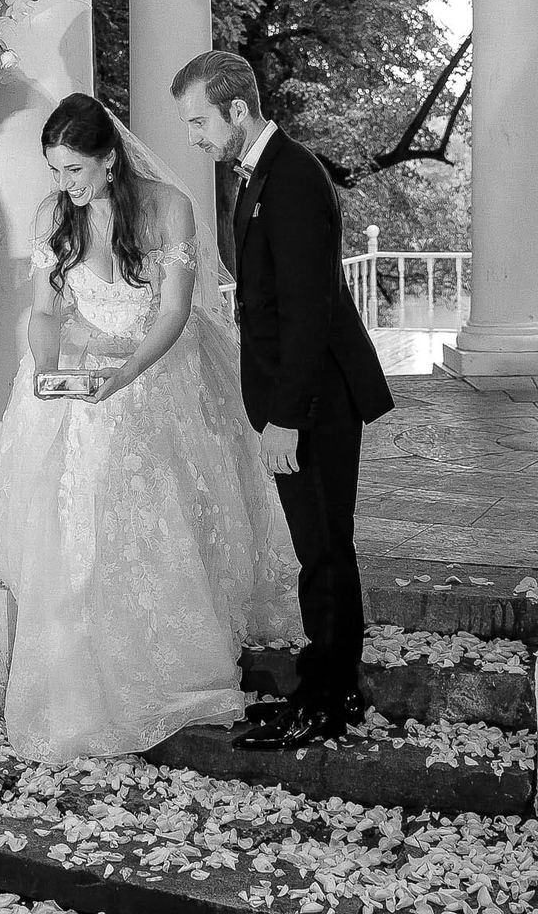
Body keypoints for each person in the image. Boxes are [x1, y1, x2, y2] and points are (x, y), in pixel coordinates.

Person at [0, 92, 302, 764]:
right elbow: (44, 313)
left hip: (156, 373)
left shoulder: (167, 207)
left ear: (108, 159)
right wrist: (47, 369)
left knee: (163, 521)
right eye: (55, 171)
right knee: (77, 526)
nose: (64, 185)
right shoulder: (54, 216)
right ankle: (87, 672)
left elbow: (174, 313)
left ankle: (175, 670)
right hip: (78, 378)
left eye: (74, 170)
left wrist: (124, 376)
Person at [172, 50, 395, 751]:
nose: (194, 136)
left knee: (324, 550)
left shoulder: (294, 178)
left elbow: (308, 310)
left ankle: (328, 699)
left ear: (238, 109)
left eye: (200, 120)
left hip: (316, 400)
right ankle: (332, 685)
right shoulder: (261, 174)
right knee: (319, 547)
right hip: (302, 394)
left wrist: (285, 417)